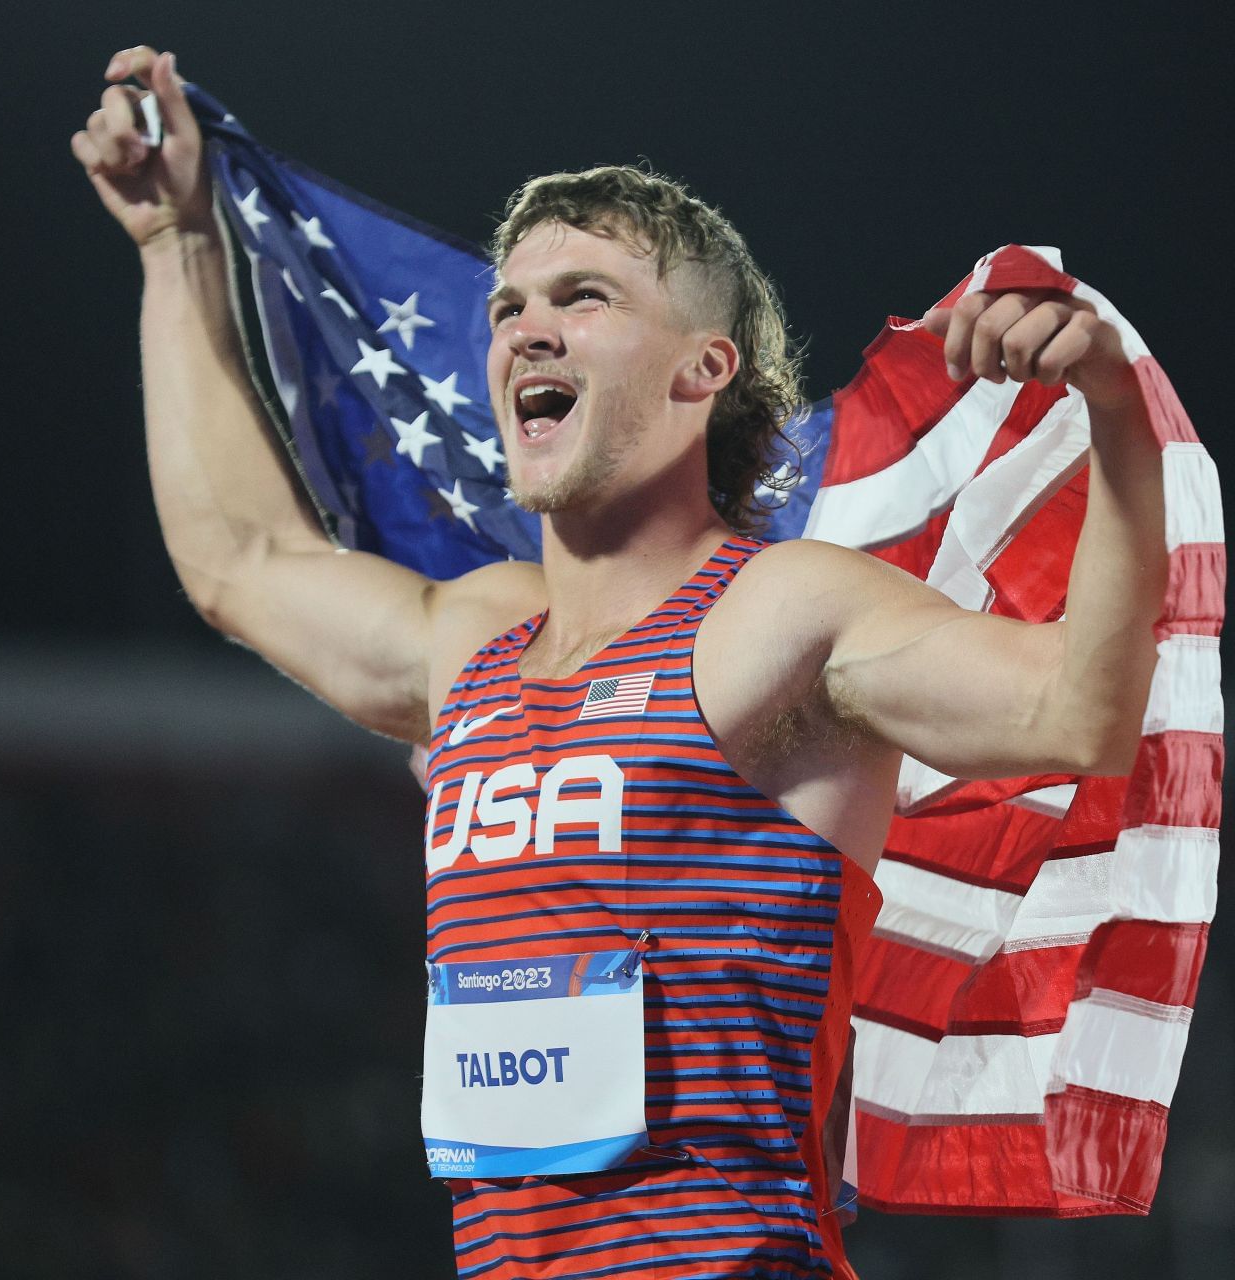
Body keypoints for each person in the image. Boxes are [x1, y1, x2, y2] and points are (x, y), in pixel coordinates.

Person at [72, 43, 1171, 1280]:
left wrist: (1118, 415)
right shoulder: (472, 641)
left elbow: (1080, 710)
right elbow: (241, 561)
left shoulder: (779, 611)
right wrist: (176, 248)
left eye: (582, 298)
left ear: (704, 370)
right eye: (508, 307)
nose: (526, 329)